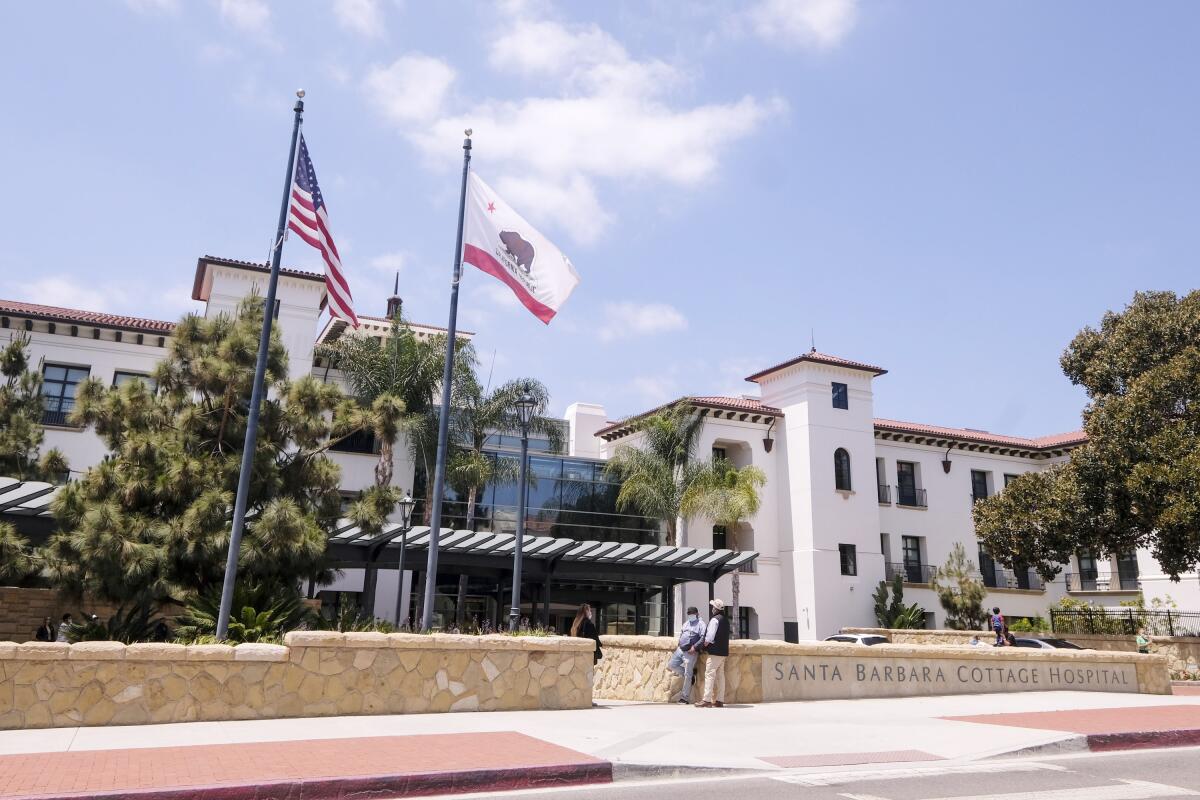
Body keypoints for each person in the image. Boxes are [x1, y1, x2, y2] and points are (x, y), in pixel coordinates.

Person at [666, 606, 706, 704]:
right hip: (680, 649)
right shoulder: (686, 623)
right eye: (689, 614)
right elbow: (682, 634)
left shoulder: (701, 624)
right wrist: (679, 644)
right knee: (671, 665)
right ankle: (691, 675)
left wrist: (695, 648)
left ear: (697, 614)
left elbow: (702, 638)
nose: (690, 616)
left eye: (692, 614)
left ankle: (684, 698)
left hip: (690, 652)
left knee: (688, 675)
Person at [696, 598, 730, 708]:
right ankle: (720, 700)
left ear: (716, 609)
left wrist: (703, 645)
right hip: (723, 652)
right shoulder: (725, 620)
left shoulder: (715, 620)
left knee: (709, 674)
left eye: (713, 607)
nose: (712, 609)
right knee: (720, 676)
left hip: (714, 652)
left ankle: (706, 700)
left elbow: (709, 637)